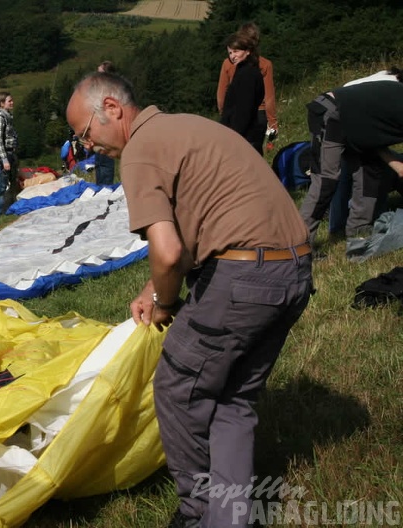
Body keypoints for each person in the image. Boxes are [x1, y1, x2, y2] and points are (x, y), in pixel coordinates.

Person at [66, 72, 313, 528]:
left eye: (85, 133)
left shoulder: (139, 152)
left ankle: (198, 513)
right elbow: (195, 228)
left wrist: (162, 301)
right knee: (231, 398)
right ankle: (232, 517)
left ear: (113, 110)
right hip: (292, 270)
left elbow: (168, 251)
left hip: (243, 278)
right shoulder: (184, 127)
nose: (86, 147)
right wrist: (151, 286)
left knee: (179, 388)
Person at [299, 79, 403, 250]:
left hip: (360, 126)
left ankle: (358, 236)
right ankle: (299, 244)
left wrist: (396, 164)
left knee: (369, 175)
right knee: (327, 180)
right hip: (332, 113)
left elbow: (375, 136)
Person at [217, 22, 278, 152]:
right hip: (259, 114)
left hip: (236, 118)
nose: (232, 55)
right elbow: (269, 97)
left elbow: (222, 93)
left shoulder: (229, 63)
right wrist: (273, 123)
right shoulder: (265, 64)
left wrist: (224, 115)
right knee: (255, 153)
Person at [219, 31, 265, 154]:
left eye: (236, 51)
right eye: (230, 52)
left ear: (248, 51)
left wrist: (233, 136)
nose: (232, 56)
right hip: (245, 135)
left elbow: (244, 110)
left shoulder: (247, 75)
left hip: (243, 137)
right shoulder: (246, 71)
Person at [94, 61, 117, 184]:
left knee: (105, 162)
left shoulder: (113, 90)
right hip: (99, 129)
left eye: (100, 73)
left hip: (108, 129)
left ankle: (106, 190)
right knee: (99, 162)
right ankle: (100, 189)